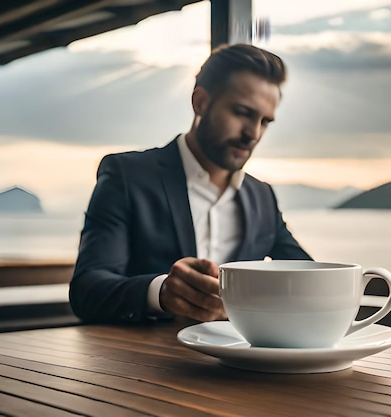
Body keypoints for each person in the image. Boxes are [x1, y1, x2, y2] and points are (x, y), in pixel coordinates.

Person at [69, 43, 312, 325]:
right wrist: (161, 292)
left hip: (241, 363)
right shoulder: (127, 176)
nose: (253, 134)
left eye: (265, 121)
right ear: (200, 102)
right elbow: (87, 289)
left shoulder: (262, 196)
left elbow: (309, 275)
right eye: (243, 112)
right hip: (144, 362)